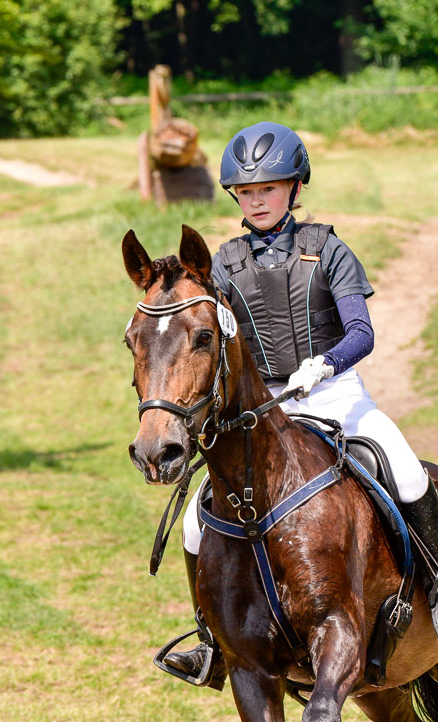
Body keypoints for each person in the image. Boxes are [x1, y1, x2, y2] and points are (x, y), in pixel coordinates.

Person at [162, 121, 438, 689]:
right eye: (246, 192)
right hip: (263, 407)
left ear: (295, 187)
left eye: (268, 188)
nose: (257, 200)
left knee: (408, 473)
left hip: (335, 392)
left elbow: (361, 332)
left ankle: (436, 596)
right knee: (193, 522)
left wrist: (326, 364)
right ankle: (211, 641)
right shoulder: (223, 265)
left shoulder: (328, 249)